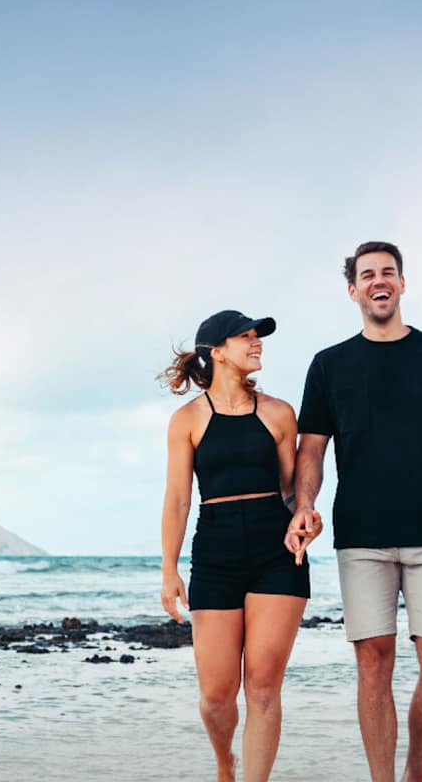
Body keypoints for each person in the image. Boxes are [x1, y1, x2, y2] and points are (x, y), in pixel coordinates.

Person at [285, 241, 422, 782]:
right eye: (368, 274)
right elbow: (311, 449)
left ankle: (416, 773)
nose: (380, 281)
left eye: (388, 272)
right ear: (353, 290)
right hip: (361, 535)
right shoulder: (329, 365)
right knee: (373, 660)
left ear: (401, 283)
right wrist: (304, 506)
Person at [159, 310, 323, 782]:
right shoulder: (186, 419)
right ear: (217, 351)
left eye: (258, 337)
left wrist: (306, 518)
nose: (257, 344)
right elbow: (177, 498)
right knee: (215, 693)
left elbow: (293, 492)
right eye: (246, 337)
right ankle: (224, 763)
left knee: (264, 688)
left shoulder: (278, 412)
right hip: (215, 550)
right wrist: (169, 568)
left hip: (277, 553)